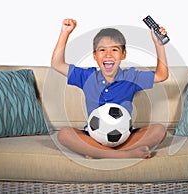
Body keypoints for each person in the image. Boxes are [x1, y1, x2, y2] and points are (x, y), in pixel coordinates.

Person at [51, 18, 169, 159]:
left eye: (114, 49)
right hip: (93, 137)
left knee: (159, 131)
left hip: (125, 137)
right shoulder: (87, 76)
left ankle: (100, 153)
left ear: (123, 55)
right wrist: (65, 33)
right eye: (102, 50)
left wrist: (159, 45)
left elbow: (162, 75)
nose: (108, 55)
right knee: (64, 134)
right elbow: (57, 64)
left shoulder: (131, 77)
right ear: (95, 56)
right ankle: (123, 155)